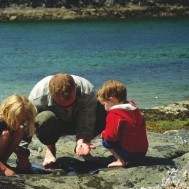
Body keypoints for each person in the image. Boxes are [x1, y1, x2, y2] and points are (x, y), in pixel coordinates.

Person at [28, 73, 106, 167]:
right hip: (54, 124)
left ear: (75, 88)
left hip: (77, 121)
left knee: (104, 110)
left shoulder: (86, 90)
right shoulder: (38, 95)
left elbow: (87, 120)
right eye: (61, 105)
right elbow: (26, 125)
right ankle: (50, 149)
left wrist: (82, 141)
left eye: (72, 104)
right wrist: (22, 155)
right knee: (43, 119)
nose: (68, 109)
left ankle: (81, 145)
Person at [97, 80, 148, 168]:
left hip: (130, 154)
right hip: (142, 152)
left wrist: (103, 133)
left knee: (105, 140)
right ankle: (128, 156)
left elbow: (111, 136)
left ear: (111, 100)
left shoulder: (114, 114)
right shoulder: (134, 109)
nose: (104, 108)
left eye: (104, 104)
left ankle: (121, 160)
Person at [0, 95, 37, 176]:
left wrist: (22, 157)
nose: (18, 124)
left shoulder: (22, 126)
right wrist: (5, 169)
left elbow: (23, 145)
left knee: (20, 130)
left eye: (22, 121)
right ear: (6, 112)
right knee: (5, 134)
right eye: (15, 120)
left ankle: (2, 162)